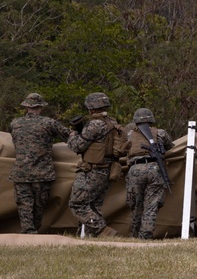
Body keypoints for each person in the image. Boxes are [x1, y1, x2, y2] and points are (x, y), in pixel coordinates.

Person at [8, 93, 71, 234]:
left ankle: (28, 232)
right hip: (42, 173)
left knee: (24, 204)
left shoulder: (15, 123)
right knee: (39, 205)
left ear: (26, 107)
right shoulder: (49, 123)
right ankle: (33, 231)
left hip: (21, 172)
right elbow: (69, 136)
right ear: (41, 107)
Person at [66, 92, 124, 237]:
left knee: (77, 204)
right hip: (107, 170)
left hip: (92, 171)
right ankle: (90, 238)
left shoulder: (95, 124)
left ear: (91, 108)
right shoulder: (112, 122)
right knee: (93, 206)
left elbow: (77, 147)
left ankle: (103, 231)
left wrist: (72, 136)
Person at [117, 108, 173, 239]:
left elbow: (120, 150)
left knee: (136, 204)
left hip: (135, 169)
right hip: (155, 168)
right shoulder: (160, 133)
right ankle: (145, 236)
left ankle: (134, 235)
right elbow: (170, 146)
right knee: (151, 205)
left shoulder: (128, 135)